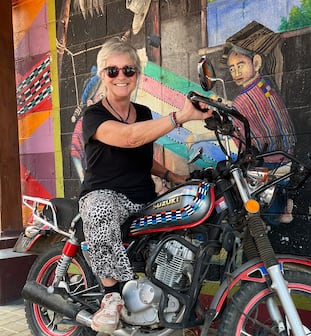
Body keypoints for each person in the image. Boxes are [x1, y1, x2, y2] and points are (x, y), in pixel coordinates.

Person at [78, 37, 212, 334]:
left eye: (128, 70)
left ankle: (174, 300)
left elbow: (142, 157)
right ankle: (112, 296)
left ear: (137, 74)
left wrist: (174, 178)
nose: (121, 77)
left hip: (143, 197)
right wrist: (181, 116)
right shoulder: (94, 115)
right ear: (102, 75)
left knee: (183, 228)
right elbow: (130, 138)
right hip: (105, 196)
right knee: (99, 210)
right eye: (112, 71)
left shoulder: (143, 113)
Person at [226, 45, 296, 224]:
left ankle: (275, 216)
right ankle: (285, 202)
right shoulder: (265, 85)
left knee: (247, 179)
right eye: (232, 68)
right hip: (288, 150)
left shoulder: (241, 101)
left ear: (256, 63)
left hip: (271, 159)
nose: (236, 72)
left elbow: (240, 135)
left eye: (240, 65)